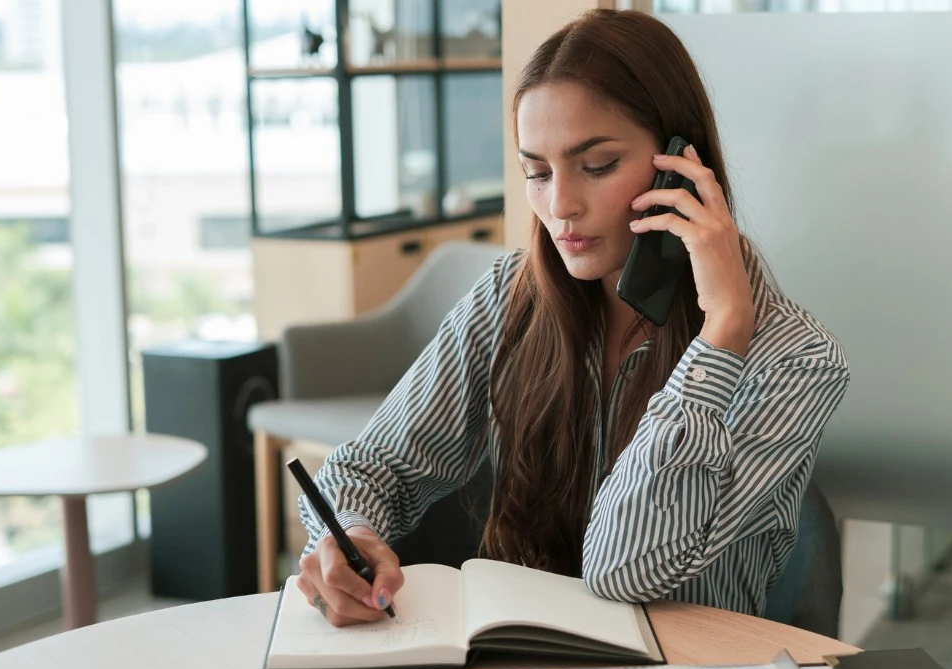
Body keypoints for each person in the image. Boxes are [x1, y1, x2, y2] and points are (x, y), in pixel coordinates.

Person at [295, 9, 850, 628]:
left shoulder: (797, 358)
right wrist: (347, 533)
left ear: (682, 164)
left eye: (597, 166)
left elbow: (624, 569)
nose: (559, 206)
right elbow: (368, 468)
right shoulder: (509, 298)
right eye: (537, 171)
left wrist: (720, 338)